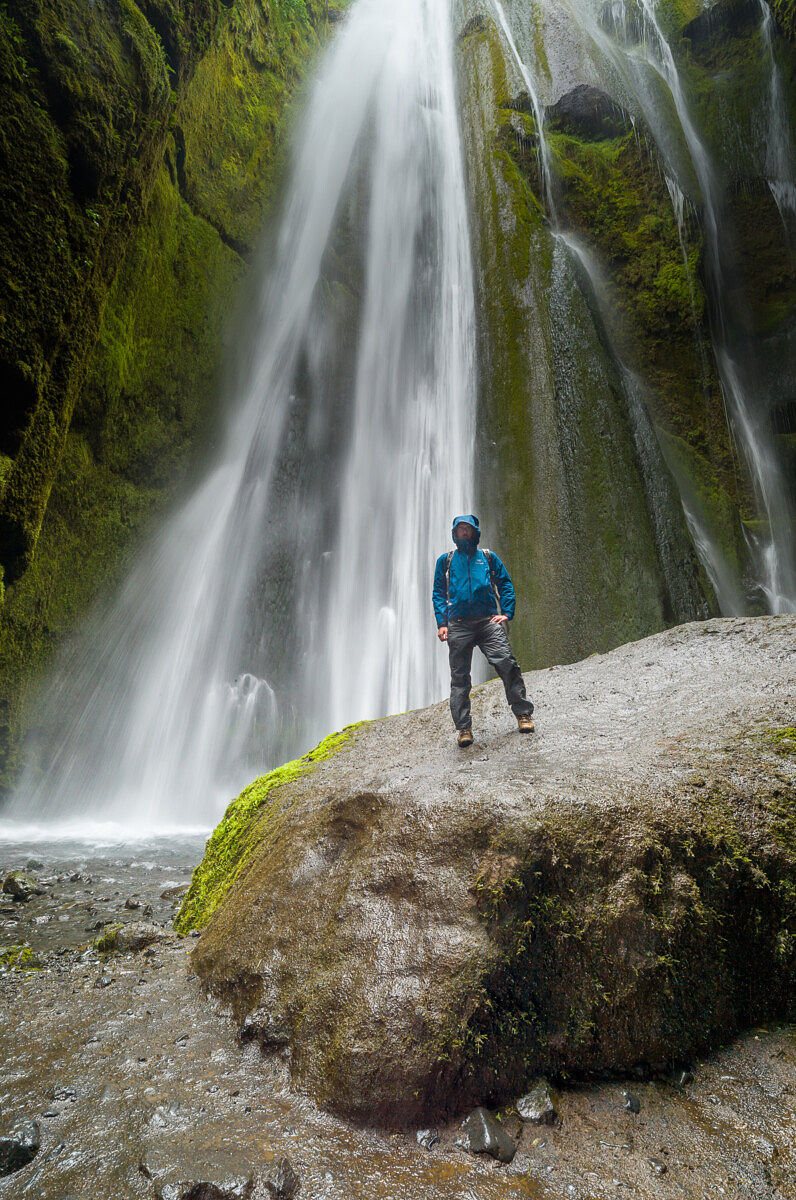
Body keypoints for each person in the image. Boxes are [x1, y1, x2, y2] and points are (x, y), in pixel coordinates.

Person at [432, 514, 534, 747]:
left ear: (475, 531)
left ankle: (523, 714)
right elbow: (438, 593)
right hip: (458, 624)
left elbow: (505, 583)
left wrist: (507, 611)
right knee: (459, 678)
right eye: (460, 530)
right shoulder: (445, 561)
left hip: (488, 622)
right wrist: (442, 623)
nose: (464, 533)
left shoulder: (488, 558)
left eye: (468, 529)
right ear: (454, 534)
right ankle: (464, 729)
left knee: (507, 664)